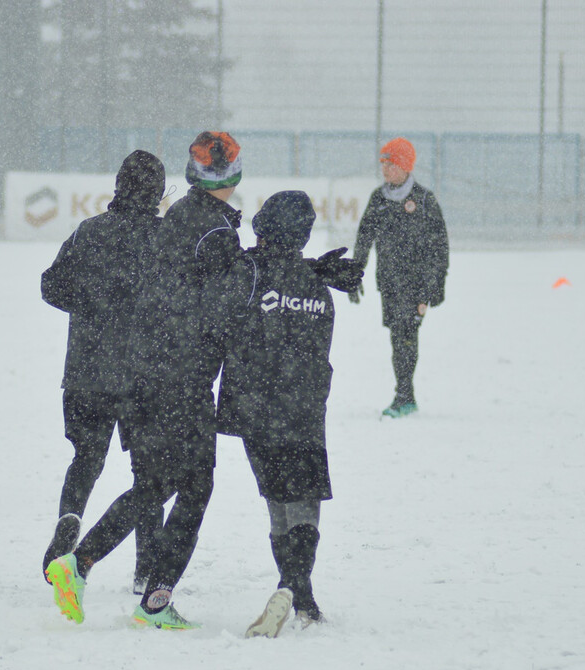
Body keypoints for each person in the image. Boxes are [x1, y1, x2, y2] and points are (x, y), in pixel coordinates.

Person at [44, 132, 362, 631]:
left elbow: (236, 274)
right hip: (183, 380)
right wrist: (306, 277)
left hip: (143, 372)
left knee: (156, 486)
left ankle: (81, 567)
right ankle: (151, 601)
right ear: (234, 176)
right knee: (194, 489)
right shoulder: (216, 232)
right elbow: (236, 295)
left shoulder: (177, 219)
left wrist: (303, 270)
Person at [44, 131, 246, 631]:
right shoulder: (187, 230)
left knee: (105, 465)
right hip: (165, 374)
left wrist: (93, 310)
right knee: (169, 482)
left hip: (103, 370)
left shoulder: (111, 228)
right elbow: (214, 304)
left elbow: (53, 286)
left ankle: (77, 546)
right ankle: (150, 587)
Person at [206, 191, 341, 638]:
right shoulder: (320, 287)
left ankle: (298, 594)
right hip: (303, 410)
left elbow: (218, 320)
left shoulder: (248, 272)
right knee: (304, 509)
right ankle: (295, 592)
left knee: (277, 507)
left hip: (255, 409)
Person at [39, 151, 167, 590]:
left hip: (86, 371)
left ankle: (69, 522)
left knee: (86, 458)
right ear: (157, 193)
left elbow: (50, 285)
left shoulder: (89, 231)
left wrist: (92, 308)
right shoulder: (164, 238)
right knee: (149, 472)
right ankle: (147, 568)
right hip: (143, 375)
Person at [349, 137, 449, 418]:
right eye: (383, 164)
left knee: (407, 335)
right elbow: (364, 237)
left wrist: (435, 286)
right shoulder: (378, 199)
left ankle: (403, 395)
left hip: (417, 285)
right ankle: (407, 395)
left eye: (390, 164)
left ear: (404, 165)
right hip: (390, 282)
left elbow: (439, 246)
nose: (385, 170)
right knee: (398, 337)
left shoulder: (424, 199)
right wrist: (354, 275)